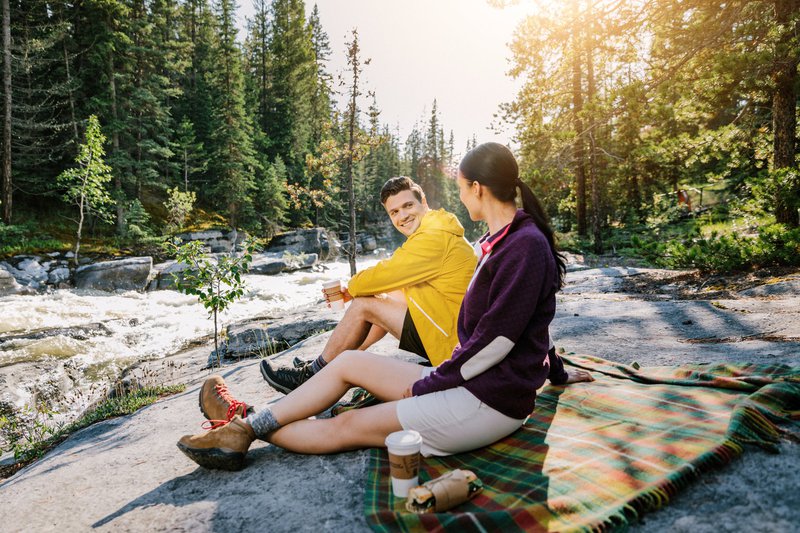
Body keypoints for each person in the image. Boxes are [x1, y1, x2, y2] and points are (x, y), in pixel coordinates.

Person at [177, 142, 593, 471]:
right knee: (347, 364)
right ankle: (250, 422)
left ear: (478, 188)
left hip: (486, 400)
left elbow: (498, 340)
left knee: (346, 426)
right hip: (469, 381)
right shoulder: (502, 241)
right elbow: (529, 320)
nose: (462, 197)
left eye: (463, 187)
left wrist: (428, 384)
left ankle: (242, 422)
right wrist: (553, 370)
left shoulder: (522, 246)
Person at [260, 176, 477, 394]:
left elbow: (386, 272)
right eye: (394, 212)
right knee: (383, 296)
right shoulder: (436, 229)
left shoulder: (434, 237)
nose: (402, 216)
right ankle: (331, 363)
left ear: (424, 202)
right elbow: (391, 280)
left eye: (408, 205)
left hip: (451, 342)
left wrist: (351, 289)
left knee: (365, 305)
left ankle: (311, 375)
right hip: (449, 324)